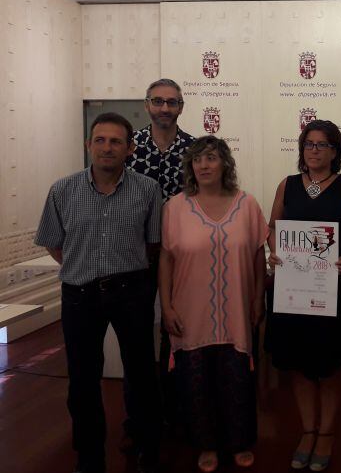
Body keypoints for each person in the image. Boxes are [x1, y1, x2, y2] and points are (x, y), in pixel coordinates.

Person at [35, 112, 162, 473]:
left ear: (130, 148)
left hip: (132, 292)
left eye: (116, 141)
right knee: (83, 379)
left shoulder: (148, 190)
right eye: (101, 140)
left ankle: (146, 445)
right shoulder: (62, 190)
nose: (108, 147)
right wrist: (83, 267)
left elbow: (152, 244)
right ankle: (89, 456)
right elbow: (54, 243)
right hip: (80, 295)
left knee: (141, 375)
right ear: (88, 145)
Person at [266, 119, 341, 471]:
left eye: (322, 145)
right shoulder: (288, 185)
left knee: (329, 366)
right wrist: (275, 251)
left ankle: (326, 434)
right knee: (298, 363)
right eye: (309, 144)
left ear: (335, 151)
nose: (314, 150)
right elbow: (273, 228)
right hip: (293, 288)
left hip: (332, 287)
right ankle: (308, 431)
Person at [158, 136, 268, 473]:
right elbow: (166, 259)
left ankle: (238, 442)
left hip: (236, 311)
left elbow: (256, 256)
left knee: (237, 381)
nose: (204, 165)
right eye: (197, 160)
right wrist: (167, 307)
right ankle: (205, 444)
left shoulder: (247, 204)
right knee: (195, 384)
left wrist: (257, 298)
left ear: (225, 164)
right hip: (190, 312)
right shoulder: (175, 207)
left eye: (211, 158)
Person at [126, 77, 195, 441]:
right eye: (158, 101)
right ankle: (139, 420)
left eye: (172, 102)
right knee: (136, 338)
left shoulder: (195, 149)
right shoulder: (129, 146)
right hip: (136, 255)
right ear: (147, 104)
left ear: (181, 107)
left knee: (176, 333)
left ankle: (176, 411)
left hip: (181, 256)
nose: (165, 108)